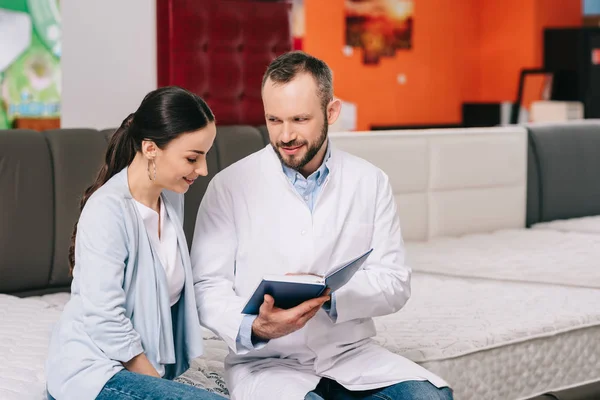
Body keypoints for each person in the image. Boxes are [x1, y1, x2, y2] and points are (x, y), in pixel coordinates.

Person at [191, 51, 453, 400]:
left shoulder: (370, 181)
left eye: (299, 119)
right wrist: (254, 325)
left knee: (432, 398)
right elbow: (206, 286)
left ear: (331, 112)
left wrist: (330, 297)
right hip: (268, 363)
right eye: (274, 120)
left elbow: (394, 282)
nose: (285, 135)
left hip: (350, 355)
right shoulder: (228, 187)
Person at [46, 86, 226, 400]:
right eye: (193, 158)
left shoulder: (170, 197)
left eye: (205, 155)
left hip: (141, 369)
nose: (204, 169)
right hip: (95, 373)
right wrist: (161, 385)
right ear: (151, 148)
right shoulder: (108, 211)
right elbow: (105, 320)